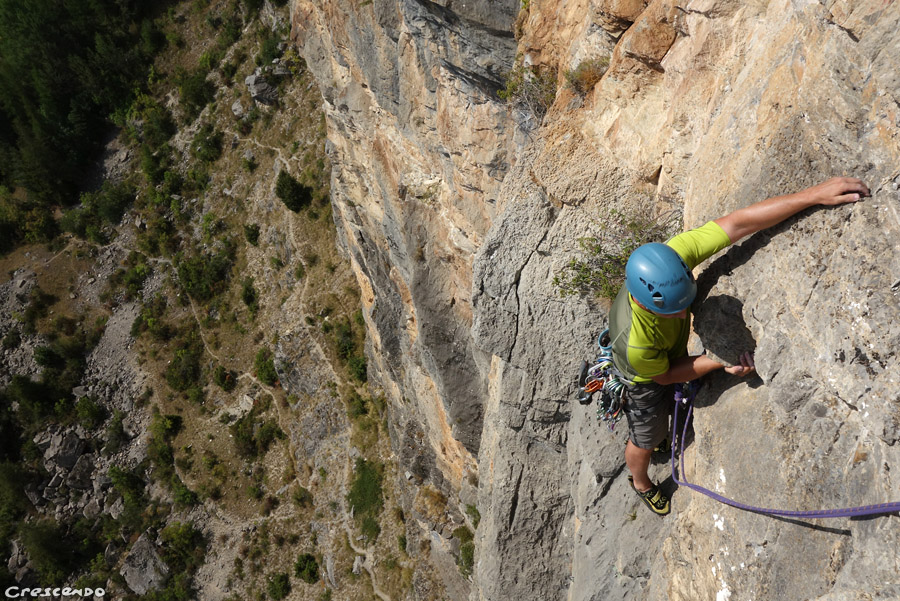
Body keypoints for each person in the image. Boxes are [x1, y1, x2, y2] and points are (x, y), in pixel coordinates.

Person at [609, 177, 870, 516]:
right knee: (648, 435)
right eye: (672, 310)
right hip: (644, 377)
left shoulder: (672, 259)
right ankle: (640, 482)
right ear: (646, 305)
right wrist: (718, 361)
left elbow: (738, 223)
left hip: (663, 355)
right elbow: (664, 376)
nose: (680, 314)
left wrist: (812, 195)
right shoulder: (637, 344)